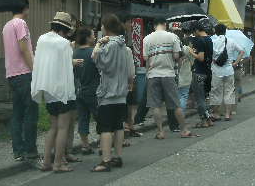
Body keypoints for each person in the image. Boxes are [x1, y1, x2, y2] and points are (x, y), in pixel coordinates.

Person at [31, 12, 77, 173]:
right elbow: (66, 68)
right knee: (63, 127)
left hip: (47, 89)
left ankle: (46, 162)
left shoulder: (42, 39)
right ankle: (58, 163)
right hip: (62, 89)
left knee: (52, 127)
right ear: (65, 29)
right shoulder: (64, 43)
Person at [91, 14, 134, 172]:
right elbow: (131, 72)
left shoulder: (108, 45)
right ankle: (118, 157)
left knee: (106, 128)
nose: (101, 28)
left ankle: (106, 160)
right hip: (122, 93)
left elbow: (98, 61)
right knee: (118, 126)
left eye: (102, 26)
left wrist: (98, 44)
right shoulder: (125, 47)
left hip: (109, 92)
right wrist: (129, 84)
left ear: (106, 27)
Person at [143, 17, 198, 139]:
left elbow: (146, 59)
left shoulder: (146, 39)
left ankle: (160, 132)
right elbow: (176, 55)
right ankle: (184, 130)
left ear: (154, 26)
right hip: (168, 74)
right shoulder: (172, 37)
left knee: (156, 105)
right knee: (175, 104)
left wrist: (148, 72)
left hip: (153, 75)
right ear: (165, 25)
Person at [2, 0, 38, 163]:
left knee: (17, 113)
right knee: (31, 113)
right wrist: (34, 70)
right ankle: (30, 150)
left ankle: (18, 151)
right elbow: (24, 49)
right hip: (24, 73)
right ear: (25, 7)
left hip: (11, 74)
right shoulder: (21, 23)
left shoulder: (6, 26)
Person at [72, 26, 100, 155]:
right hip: (93, 90)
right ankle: (103, 143)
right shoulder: (93, 52)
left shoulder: (74, 53)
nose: (94, 37)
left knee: (83, 118)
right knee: (100, 117)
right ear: (88, 38)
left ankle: (85, 145)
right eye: (93, 35)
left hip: (78, 90)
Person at [209, 23, 245, 121]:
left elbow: (209, 55)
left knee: (216, 91)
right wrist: (236, 63)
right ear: (225, 31)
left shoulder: (212, 41)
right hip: (229, 70)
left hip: (216, 70)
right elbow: (242, 51)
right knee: (229, 92)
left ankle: (216, 113)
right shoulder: (231, 41)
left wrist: (213, 60)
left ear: (215, 31)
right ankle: (227, 114)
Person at [189, 18, 214, 127]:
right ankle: (209, 120)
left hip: (199, 72)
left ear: (196, 30)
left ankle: (204, 121)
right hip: (208, 72)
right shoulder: (209, 39)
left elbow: (201, 58)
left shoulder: (199, 40)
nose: (193, 34)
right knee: (204, 97)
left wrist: (191, 52)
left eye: (193, 31)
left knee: (199, 98)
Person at [176, 29, 194, 115]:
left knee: (176, 97)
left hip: (175, 76)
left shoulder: (173, 49)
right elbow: (193, 62)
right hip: (186, 75)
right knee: (184, 96)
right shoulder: (187, 49)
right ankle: (181, 115)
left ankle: (175, 115)